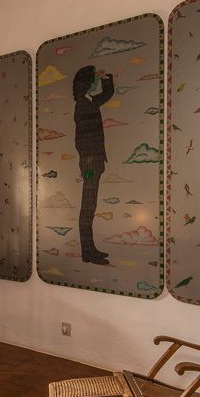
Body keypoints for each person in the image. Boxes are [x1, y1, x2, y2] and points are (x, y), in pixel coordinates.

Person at [73, 65, 115, 265]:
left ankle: (89, 250)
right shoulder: (83, 105)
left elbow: (107, 94)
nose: (95, 83)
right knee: (88, 207)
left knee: (90, 206)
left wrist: (106, 78)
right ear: (87, 84)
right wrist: (89, 161)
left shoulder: (88, 101)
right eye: (93, 80)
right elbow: (82, 139)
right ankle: (87, 251)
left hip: (93, 160)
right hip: (90, 162)